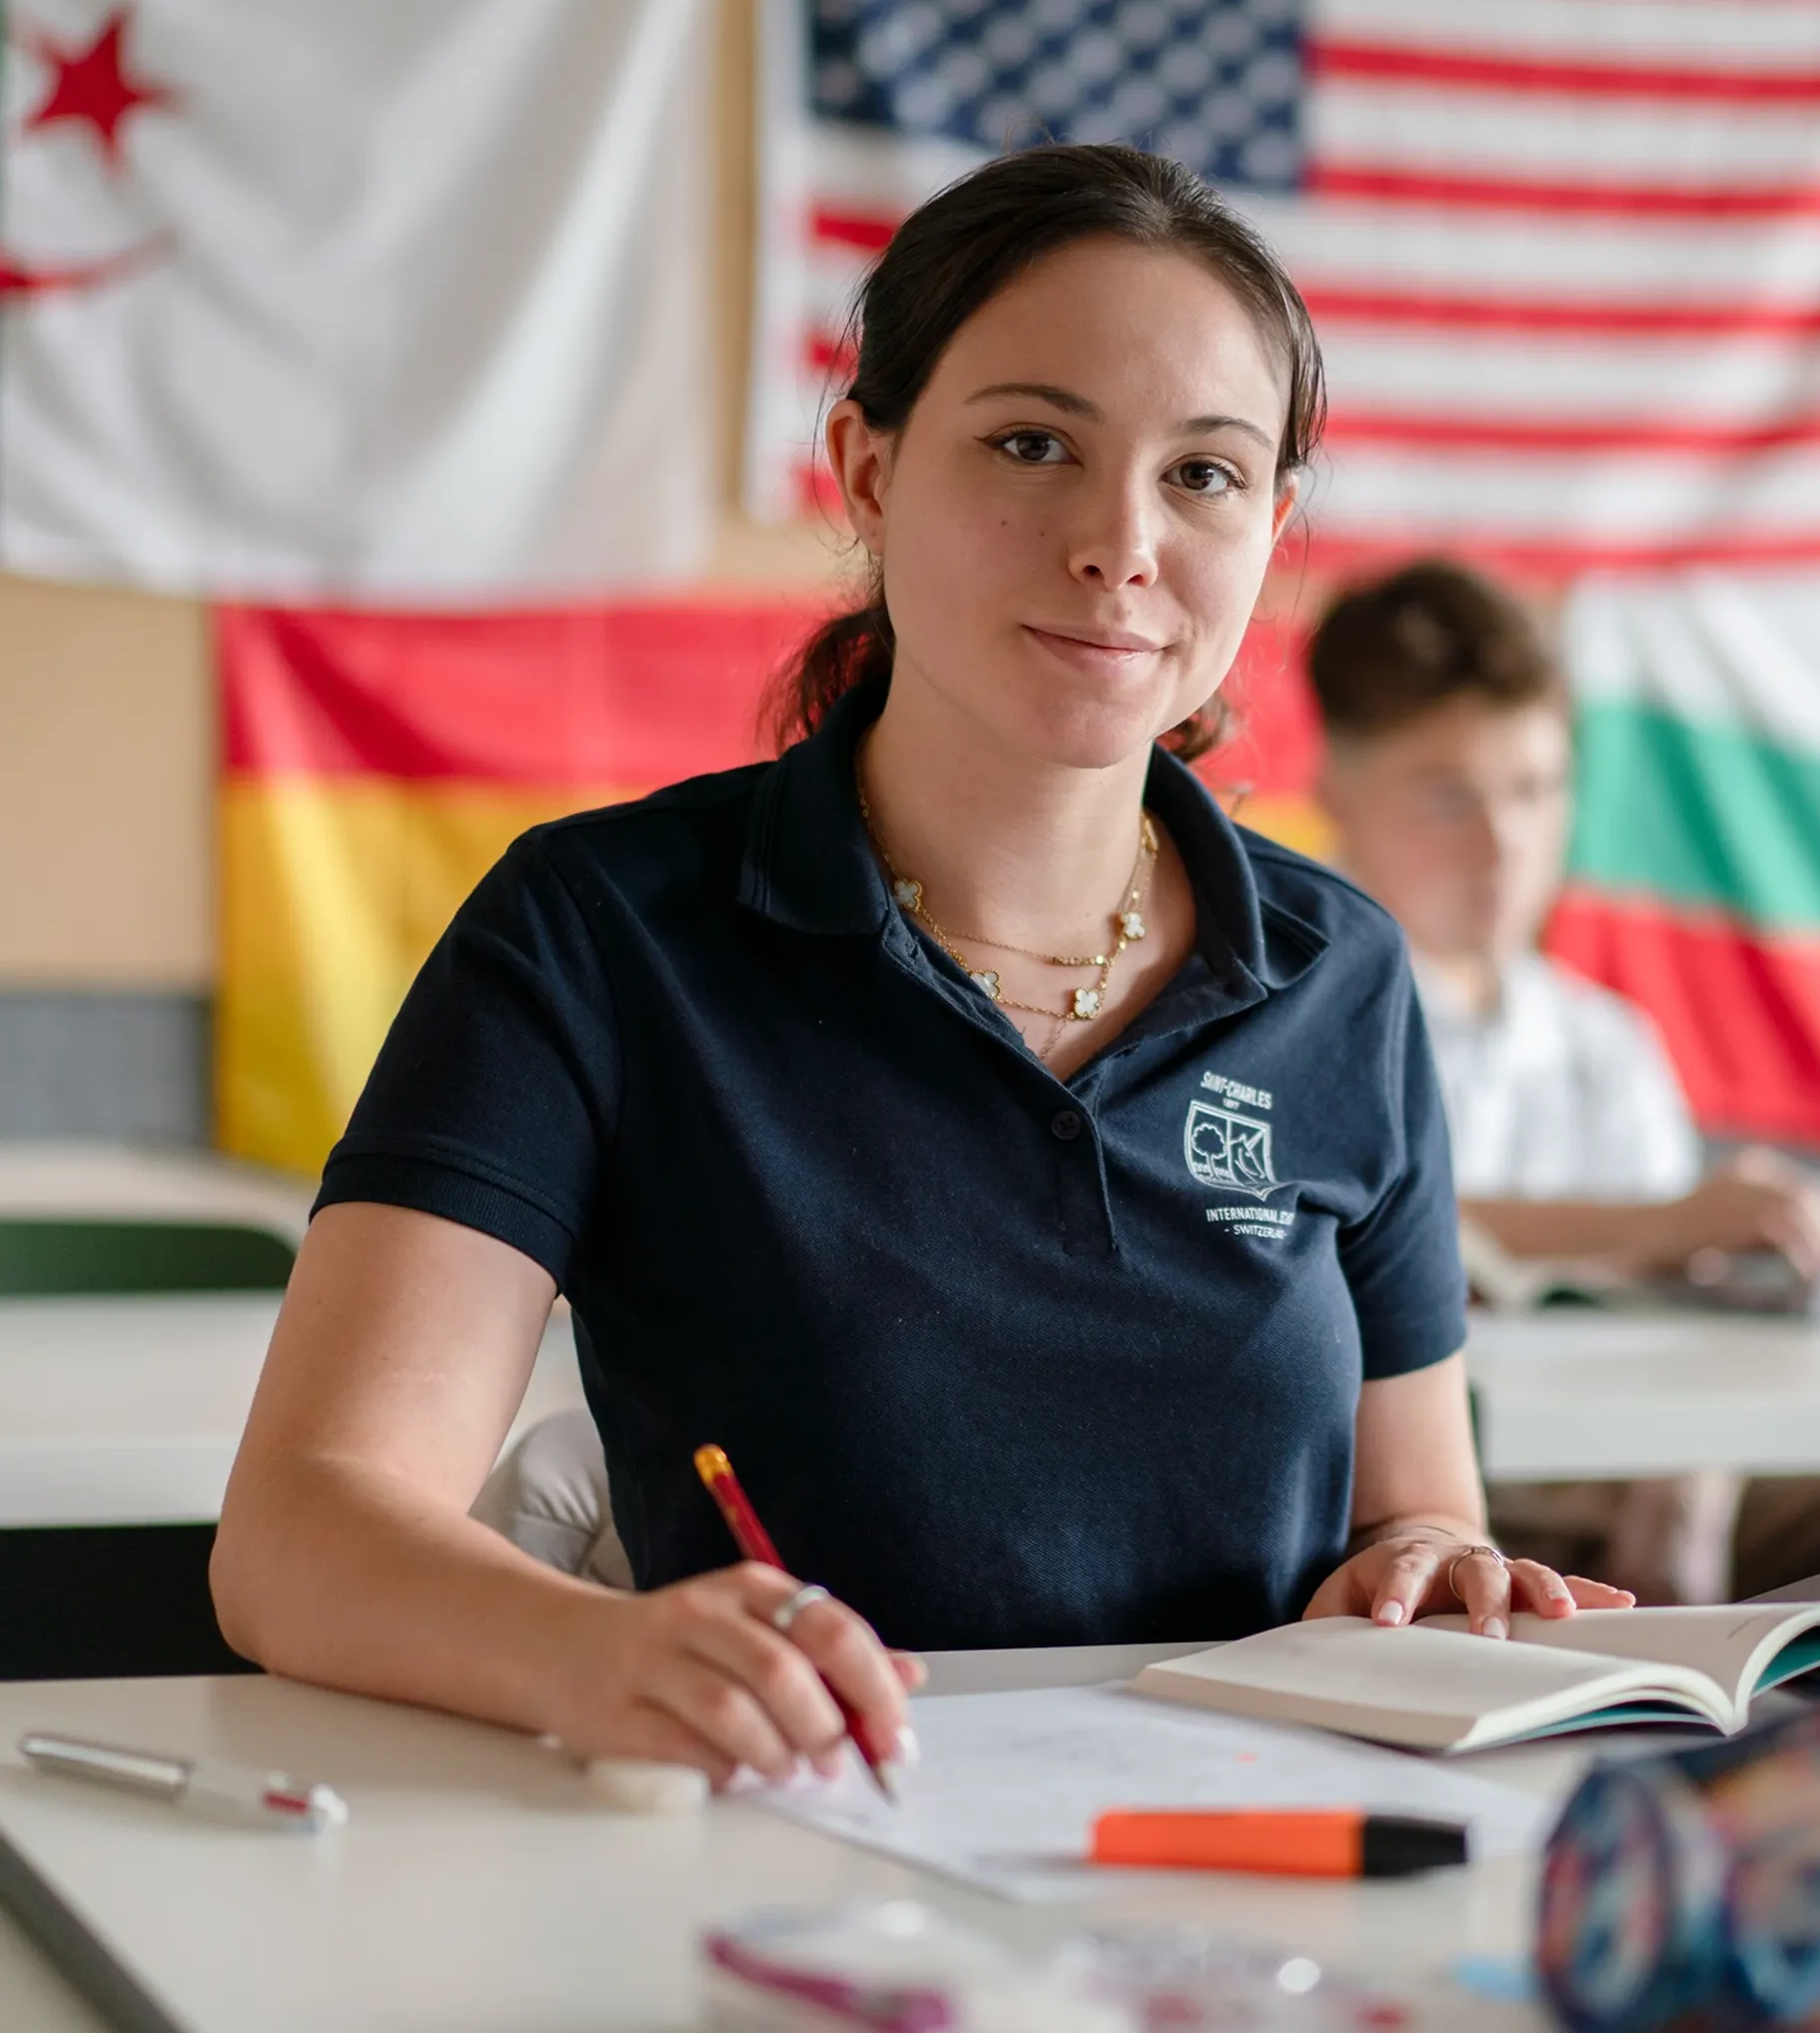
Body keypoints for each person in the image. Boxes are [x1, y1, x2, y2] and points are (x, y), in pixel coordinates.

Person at [212, 147, 1627, 1792]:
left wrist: (1433, 1564)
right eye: (1034, 444)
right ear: (868, 472)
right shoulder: (601, 927)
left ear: (1273, 527)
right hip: (798, 1860)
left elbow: (1416, 1508)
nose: (1121, 543)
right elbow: (300, 1534)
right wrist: (594, 1651)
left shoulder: (1343, 973)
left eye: (1204, 475)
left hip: (1265, 1854)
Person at [1306, 561, 1820, 1601]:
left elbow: (1673, 1305)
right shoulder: (1298, 1010)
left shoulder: (1604, 1039)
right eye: (1447, 797)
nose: (1505, 843)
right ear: (1335, 793)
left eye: (1536, 789)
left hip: (1642, 1463)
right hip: (1424, 1484)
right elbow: (1372, 1237)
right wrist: (1659, 1223)